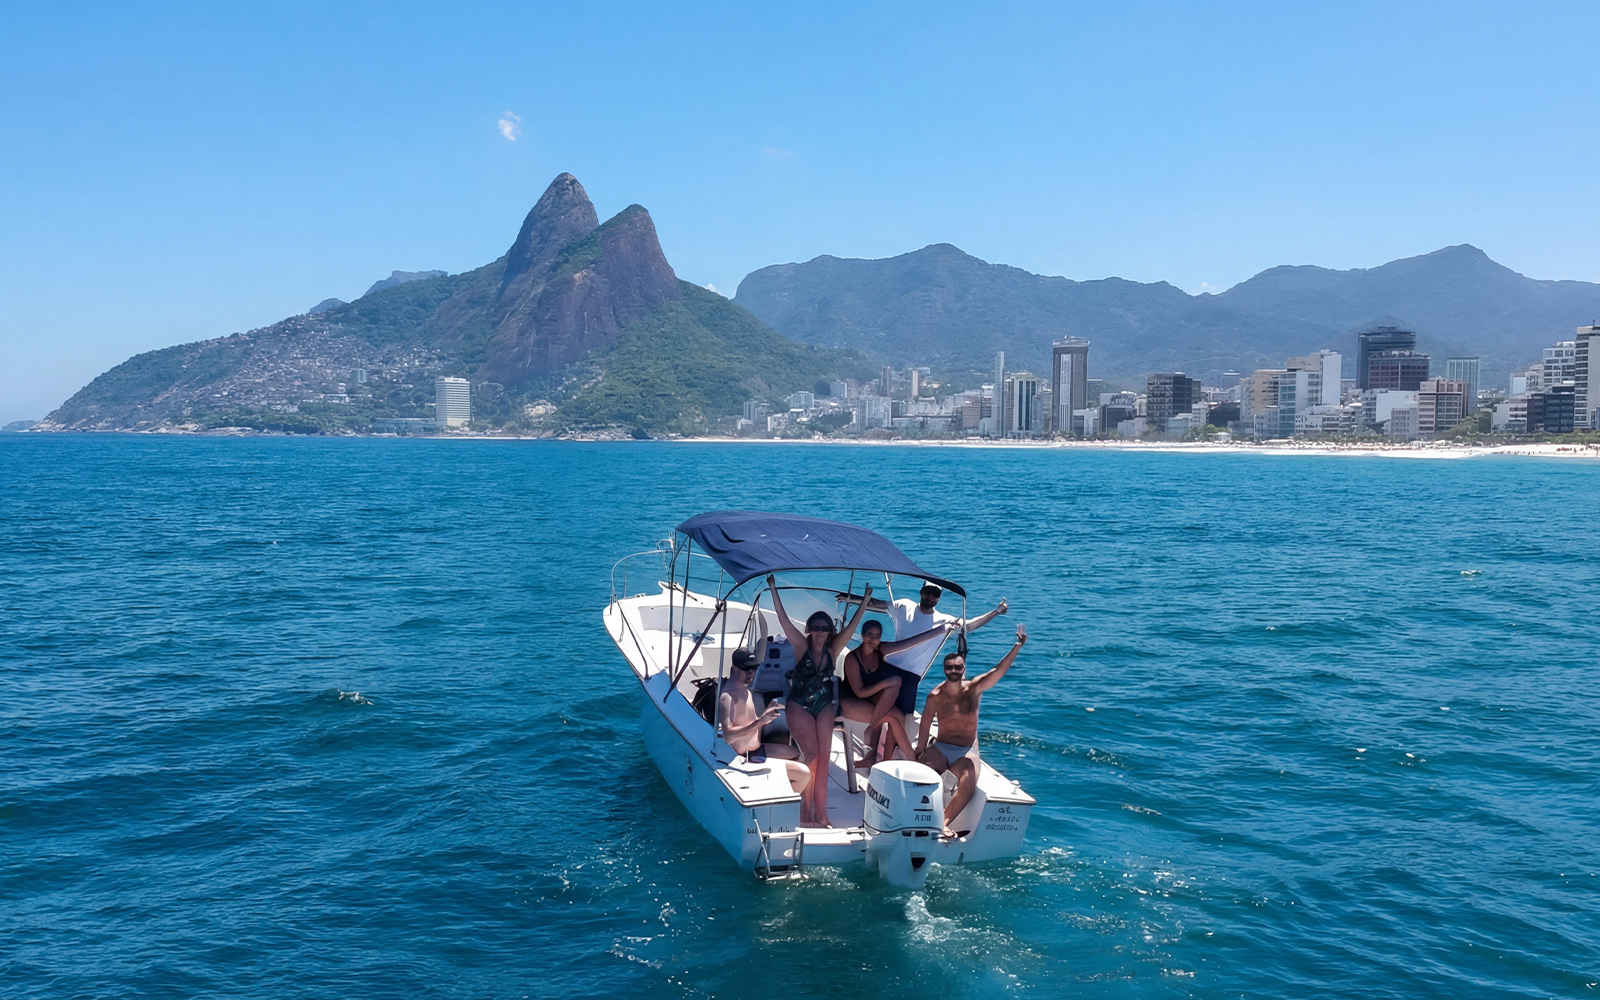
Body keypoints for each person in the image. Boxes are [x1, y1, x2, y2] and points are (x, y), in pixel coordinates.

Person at [766, 574, 874, 827]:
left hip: (824, 704)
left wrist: (866, 601)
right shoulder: (800, 645)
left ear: (830, 632)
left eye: (825, 628)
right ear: (808, 629)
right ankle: (805, 810)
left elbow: (851, 628)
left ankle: (821, 813)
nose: (820, 632)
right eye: (815, 627)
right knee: (811, 757)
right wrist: (773, 589)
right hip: (799, 703)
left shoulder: (833, 650)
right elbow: (782, 619)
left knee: (824, 758)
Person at [916, 622, 1028, 838]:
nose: (954, 671)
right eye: (949, 668)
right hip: (941, 748)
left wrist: (1017, 645)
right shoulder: (935, 696)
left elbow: (999, 670)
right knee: (920, 774)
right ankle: (916, 817)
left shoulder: (975, 689)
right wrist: (920, 751)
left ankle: (944, 822)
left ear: (964, 669)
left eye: (958, 667)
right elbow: (925, 724)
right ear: (944, 669)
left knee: (968, 777)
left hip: (966, 750)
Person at [838, 582, 1008, 720]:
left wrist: (996, 612)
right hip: (886, 669)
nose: (931, 597)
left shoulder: (945, 621)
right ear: (921, 592)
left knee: (901, 718)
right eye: (928, 592)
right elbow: (875, 604)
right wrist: (848, 598)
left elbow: (970, 625)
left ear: (939, 598)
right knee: (875, 709)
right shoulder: (904, 606)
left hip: (911, 677)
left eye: (935, 594)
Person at [839, 618, 953, 770]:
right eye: (870, 635)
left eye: (877, 636)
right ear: (862, 635)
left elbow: (909, 644)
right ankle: (912, 761)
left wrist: (942, 629)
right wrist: (884, 684)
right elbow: (859, 693)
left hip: (869, 699)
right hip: (849, 700)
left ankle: (876, 759)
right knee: (894, 715)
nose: (873, 639)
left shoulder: (880, 650)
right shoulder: (852, 659)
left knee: (896, 688)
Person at [718, 648, 808, 794]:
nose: (751, 673)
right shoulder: (727, 696)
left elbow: (749, 722)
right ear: (734, 666)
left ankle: (779, 792)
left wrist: (767, 713)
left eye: (754, 668)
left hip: (757, 748)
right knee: (804, 774)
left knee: (795, 753)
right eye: (746, 669)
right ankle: (780, 804)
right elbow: (728, 736)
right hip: (745, 757)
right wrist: (760, 721)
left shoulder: (744, 689)